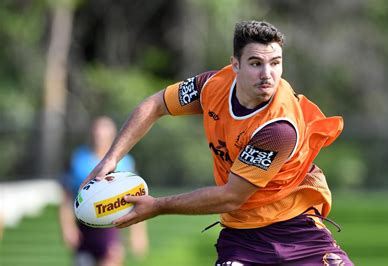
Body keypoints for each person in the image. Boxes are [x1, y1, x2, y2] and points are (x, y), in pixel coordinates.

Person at [82, 21, 353, 265]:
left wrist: (159, 206)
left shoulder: (279, 127)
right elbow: (155, 104)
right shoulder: (212, 86)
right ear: (235, 64)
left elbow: (231, 195)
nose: (268, 74)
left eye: (276, 63)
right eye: (256, 63)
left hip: (297, 230)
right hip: (243, 237)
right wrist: (111, 158)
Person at [59, 116, 148, 266]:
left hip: (111, 228)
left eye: (104, 133)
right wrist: (67, 227)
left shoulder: (126, 162)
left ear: (113, 136)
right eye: (97, 132)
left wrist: (138, 233)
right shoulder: (78, 159)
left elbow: (137, 200)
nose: (99, 136)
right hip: (84, 227)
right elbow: (66, 197)